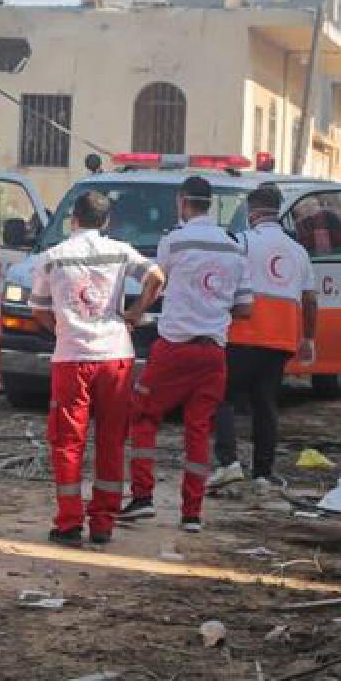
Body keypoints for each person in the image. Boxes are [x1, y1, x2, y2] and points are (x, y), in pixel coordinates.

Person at [30, 191, 165, 547]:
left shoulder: (52, 258)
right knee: (112, 440)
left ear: (72, 219)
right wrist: (134, 314)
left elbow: (39, 310)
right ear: (106, 222)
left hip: (72, 358)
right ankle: (103, 523)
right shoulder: (120, 251)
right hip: (115, 356)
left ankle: (69, 523)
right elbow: (156, 277)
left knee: (67, 443)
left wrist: (63, 327)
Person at [121, 176, 252, 533]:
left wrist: (135, 312)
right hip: (213, 354)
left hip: (174, 348)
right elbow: (244, 309)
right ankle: (192, 514)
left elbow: (156, 281)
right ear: (210, 204)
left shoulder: (175, 241)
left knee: (145, 417)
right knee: (198, 429)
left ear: (182, 202)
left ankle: (143, 497)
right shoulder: (234, 246)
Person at [208, 184, 318, 494]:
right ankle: (263, 472)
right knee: (266, 404)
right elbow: (310, 300)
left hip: (242, 335)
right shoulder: (298, 251)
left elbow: (223, 281)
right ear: (278, 211)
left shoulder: (242, 241)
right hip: (281, 339)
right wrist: (309, 338)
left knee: (225, 397)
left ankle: (228, 462)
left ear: (251, 211)